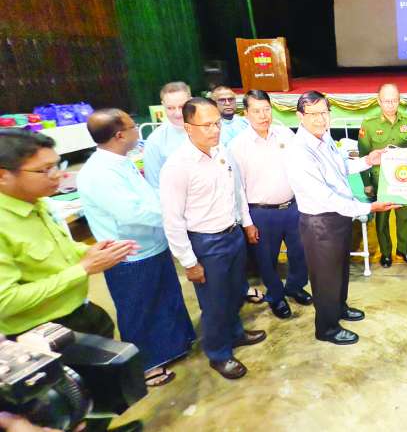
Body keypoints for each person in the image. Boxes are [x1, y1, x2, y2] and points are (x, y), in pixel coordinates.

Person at [77, 109, 196, 388]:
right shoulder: (99, 173)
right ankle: (148, 364)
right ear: (120, 135)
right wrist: (175, 215)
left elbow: (148, 196)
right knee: (139, 309)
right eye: (132, 127)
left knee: (166, 300)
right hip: (130, 254)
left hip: (153, 244)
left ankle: (174, 346)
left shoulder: (122, 161)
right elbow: (133, 212)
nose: (136, 131)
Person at [159, 98, 265, 380]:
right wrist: (189, 261)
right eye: (206, 125)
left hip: (233, 234)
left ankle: (236, 333)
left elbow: (237, 192)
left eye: (217, 123)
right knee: (214, 303)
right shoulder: (177, 167)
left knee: (236, 291)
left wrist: (246, 223)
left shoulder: (222, 152)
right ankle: (218, 353)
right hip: (206, 243)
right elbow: (172, 220)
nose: (215, 130)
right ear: (188, 127)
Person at [0, 129, 136, 339]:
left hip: (79, 310)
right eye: (45, 170)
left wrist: (91, 252)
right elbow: (6, 302)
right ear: (3, 176)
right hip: (41, 333)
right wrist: (84, 268)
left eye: (57, 165)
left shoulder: (38, 202)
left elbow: (56, 249)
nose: (58, 175)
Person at [287, 91, 396, 345]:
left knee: (339, 270)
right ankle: (326, 328)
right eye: (313, 114)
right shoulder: (299, 152)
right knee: (325, 277)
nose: (321, 119)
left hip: (339, 217)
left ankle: (339, 308)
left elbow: (341, 168)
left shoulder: (324, 137)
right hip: (320, 222)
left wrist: (368, 160)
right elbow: (325, 197)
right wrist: (368, 208)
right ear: (300, 116)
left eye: (325, 113)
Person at [229, 90, 312, 321]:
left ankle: (295, 286)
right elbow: (237, 189)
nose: (263, 116)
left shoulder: (284, 133)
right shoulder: (238, 146)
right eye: (256, 111)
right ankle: (276, 296)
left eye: (266, 109)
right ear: (246, 113)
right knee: (267, 259)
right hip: (261, 213)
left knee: (300, 252)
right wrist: (247, 223)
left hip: (293, 207)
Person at [358, 83, 407, 268]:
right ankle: (386, 253)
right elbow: (363, 155)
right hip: (380, 181)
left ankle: (403, 249)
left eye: (394, 100)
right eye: (387, 101)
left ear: (399, 100)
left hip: (404, 179)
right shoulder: (369, 124)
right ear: (379, 101)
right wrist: (367, 183)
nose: (391, 105)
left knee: (405, 217)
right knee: (382, 220)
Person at [143, 81, 191, 188]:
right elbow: (154, 184)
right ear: (163, 105)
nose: (178, 113)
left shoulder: (210, 127)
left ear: (191, 101)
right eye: (170, 108)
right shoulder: (155, 141)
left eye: (182, 107)